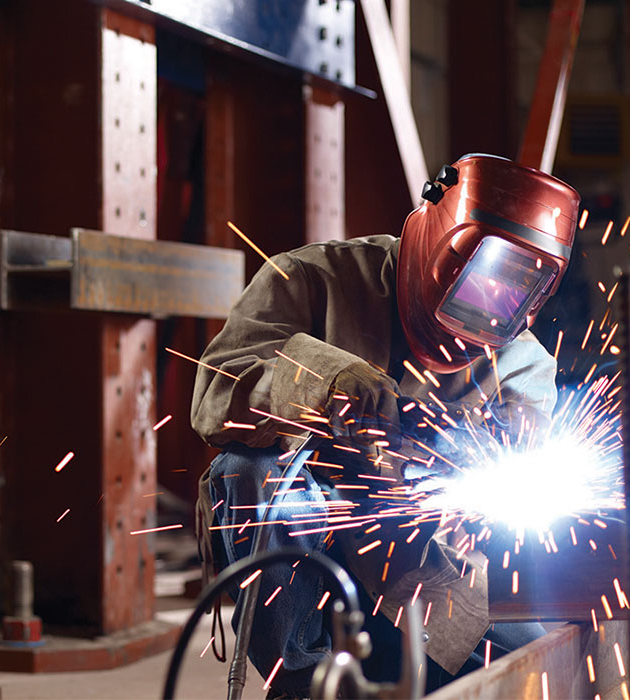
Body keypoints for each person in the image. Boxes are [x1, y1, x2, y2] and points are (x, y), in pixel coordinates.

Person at [191, 154, 580, 696]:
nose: (476, 322)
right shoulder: (308, 280)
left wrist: (486, 469)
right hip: (305, 549)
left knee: (536, 679)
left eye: (505, 302)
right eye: (473, 289)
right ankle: (304, 685)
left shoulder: (519, 359)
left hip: (422, 567)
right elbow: (214, 394)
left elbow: (529, 462)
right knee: (243, 469)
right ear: (445, 245)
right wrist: (319, 381)